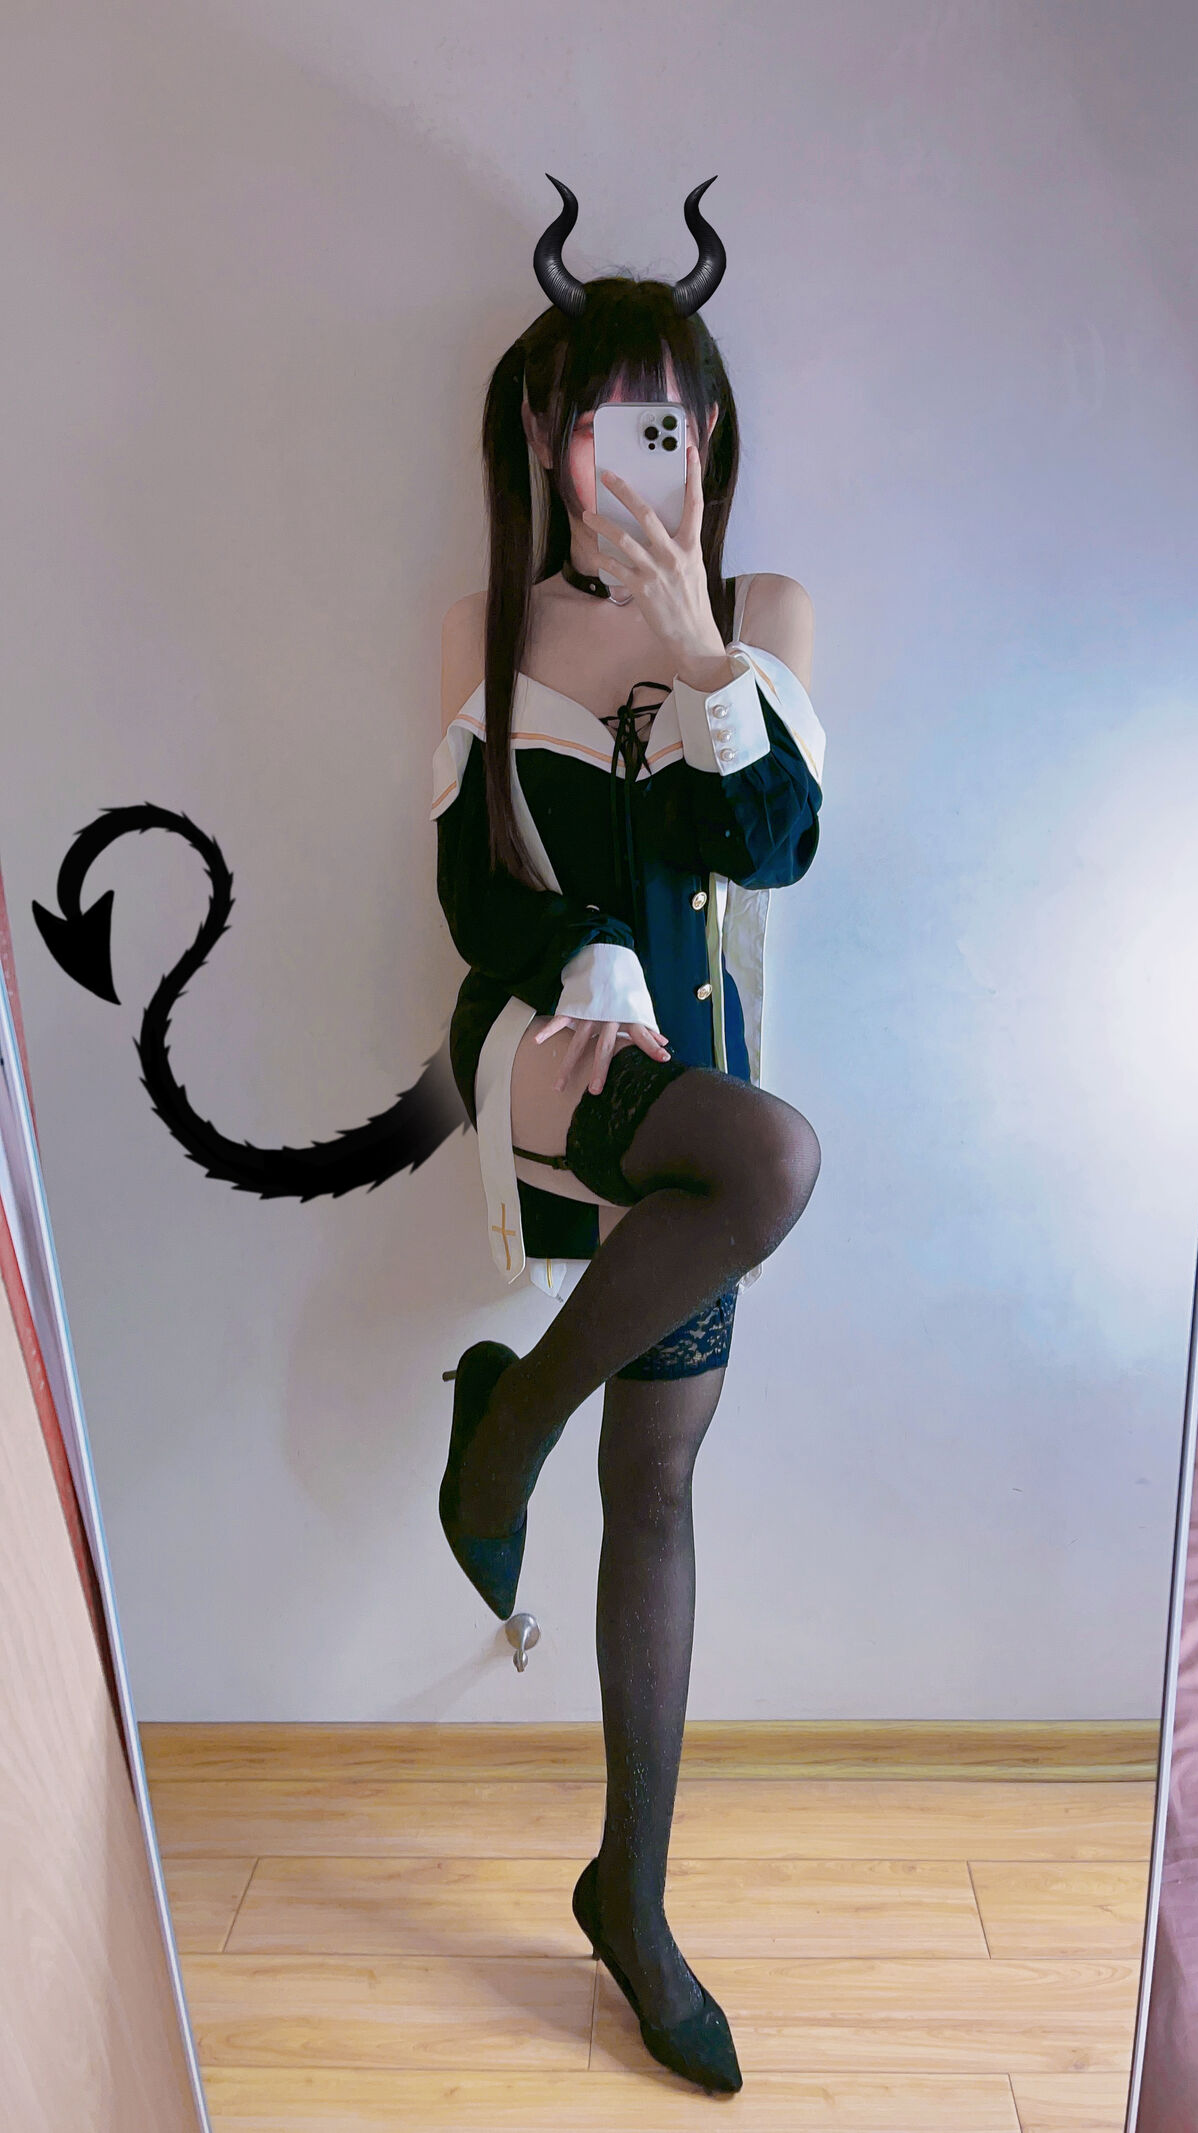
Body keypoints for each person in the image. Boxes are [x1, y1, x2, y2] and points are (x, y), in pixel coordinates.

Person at [432, 178, 825, 2095]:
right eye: (598, 422)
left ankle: (630, 1900)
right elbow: (463, 887)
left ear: (708, 431)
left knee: (658, 1482)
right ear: (546, 431)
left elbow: (781, 855)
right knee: (775, 1163)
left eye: (663, 423)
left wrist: (704, 660)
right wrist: (574, 936)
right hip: (539, 1052)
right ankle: (504, 1435)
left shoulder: (764, 618)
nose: (626, 456)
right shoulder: (490, 621)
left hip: (694, 1073)